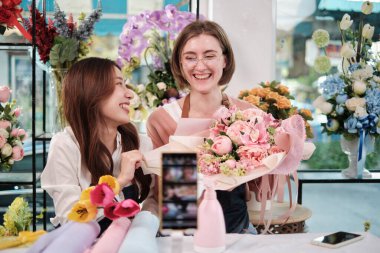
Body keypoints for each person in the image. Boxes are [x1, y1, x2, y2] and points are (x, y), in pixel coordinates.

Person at [146, 20, 257, 234]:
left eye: (209, 55)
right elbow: (160, 195)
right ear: (179, 63)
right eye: (190, 57)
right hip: (181, 231)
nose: (200, 65)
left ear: (224, 60)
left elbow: (258, 192)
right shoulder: (162, 120)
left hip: (237, 232)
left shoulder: (248, 114)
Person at [41, 57, 157, 231]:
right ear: (92, 91)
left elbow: (155, 202)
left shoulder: (141, 144)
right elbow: (71, 219)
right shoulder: (66, 145)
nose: (130, 94)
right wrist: (121, 181)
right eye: (119, 84)